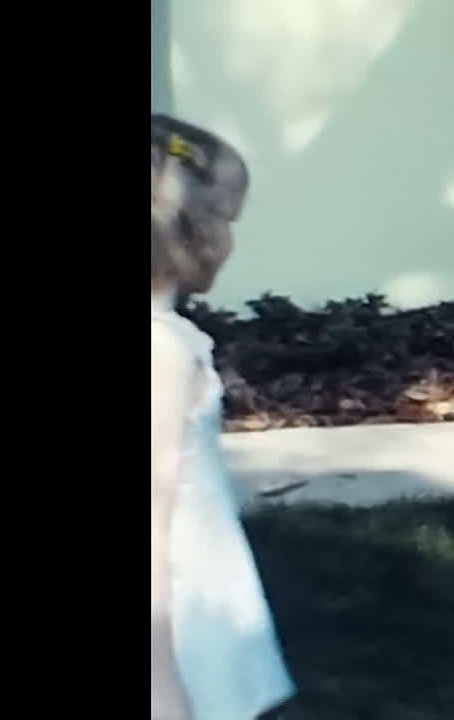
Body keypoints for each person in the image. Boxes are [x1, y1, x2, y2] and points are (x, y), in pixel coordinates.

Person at [151, 114, 295, 720]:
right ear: (195, 229)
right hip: (180, 629)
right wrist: (160, 683)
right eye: (229, 220)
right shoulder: (161, 352)